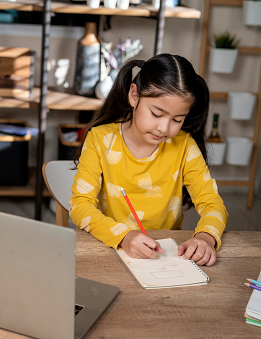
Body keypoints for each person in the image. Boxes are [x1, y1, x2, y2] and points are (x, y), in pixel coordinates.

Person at [70, 54, 228, 266]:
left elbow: (212, 203)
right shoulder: (100, 140)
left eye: (177, 119)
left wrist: (205, 237)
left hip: (166, 257)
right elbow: (80, 206)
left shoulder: (184, 146)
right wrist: (124, 236)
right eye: (156, 114)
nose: (164, 128)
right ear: (134, 96)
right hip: (111, 249)